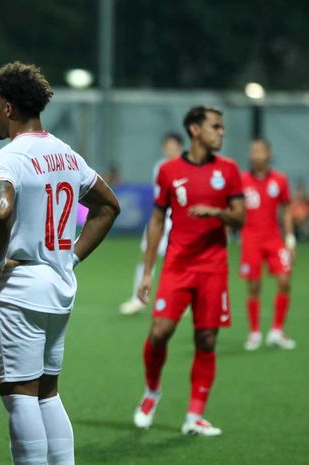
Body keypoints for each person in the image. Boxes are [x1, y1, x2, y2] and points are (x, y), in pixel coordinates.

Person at [0, 62, 120, 465]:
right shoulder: (65, 153)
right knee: (47, 391)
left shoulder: (6, 158)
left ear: (8, 108)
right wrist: (71, 257)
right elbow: (107, 206)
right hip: (59, 286)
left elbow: (1, 210)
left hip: (20, 289)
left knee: (19, 395)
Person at [133, 106, 245, 436]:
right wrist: (148, 271)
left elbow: (240, 218)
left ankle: (194, 415)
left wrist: (217, 212)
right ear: (195, 130)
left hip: (213, 268)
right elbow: (156, 220)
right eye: (215, 127)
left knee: (207, 339)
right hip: (178, 267)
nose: (221, 132)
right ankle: (152, 392)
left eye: (222, 127)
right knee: (159, 332)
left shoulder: (229, 170)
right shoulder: (169, 171)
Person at [239, 139, 297, 350]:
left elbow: (287, 209)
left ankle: (276, 332)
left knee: (284, 281)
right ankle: (254, 333)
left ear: (269, 154)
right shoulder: (242, 180)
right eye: (253, 151)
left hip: (274, 239)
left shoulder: (280, 180)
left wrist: (290, 239)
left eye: (261, 151)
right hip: (250, 240)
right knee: (254, 286)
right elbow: (233, 208)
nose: (257, 155)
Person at [120, 132, 183, 315]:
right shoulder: (160, 166)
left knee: (178, 260)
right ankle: (138, 298)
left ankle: (181, 300)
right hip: (161, 217)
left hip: (179, 218)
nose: (170, 149)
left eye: (173, 145)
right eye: (167, 146)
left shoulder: (186, 166)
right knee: (147, 254)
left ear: (179, 146)